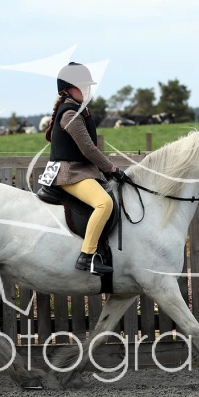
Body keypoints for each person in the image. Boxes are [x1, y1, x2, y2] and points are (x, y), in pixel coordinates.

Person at [39, 62, 127, 276]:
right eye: (82, 86)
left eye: (88, 86)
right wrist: (111, 169)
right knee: (104, 203)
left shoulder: (78, 110)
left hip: (78, 171)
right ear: (67, 90)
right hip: (70, 174)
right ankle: (87, 256)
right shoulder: (70, 114)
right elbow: (88, 149)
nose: (86, 90)